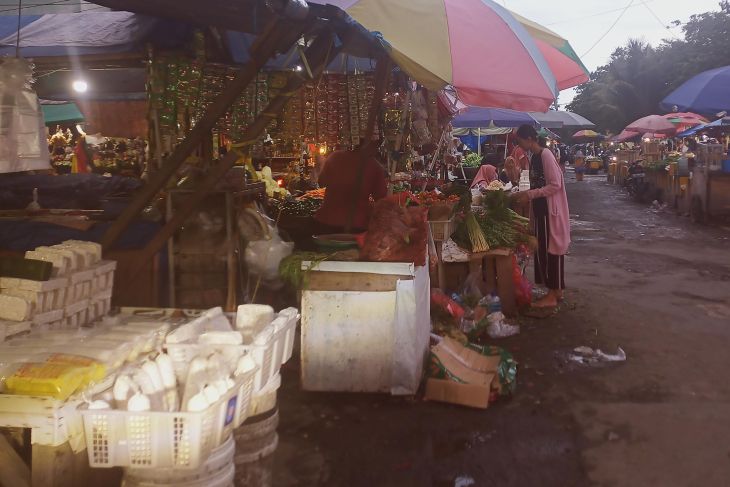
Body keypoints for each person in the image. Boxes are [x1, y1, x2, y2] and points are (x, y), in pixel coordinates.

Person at [511, 124, 571, 308]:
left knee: (551, 252)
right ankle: (556, 291)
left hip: (549, 212)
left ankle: (552, 296)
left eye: (520, 141)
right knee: (546, 251)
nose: (519, 146)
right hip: (540, 211)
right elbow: (538, 184)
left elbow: (555, 185)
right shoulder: (534, 157)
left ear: (530, 139)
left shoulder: (545, 155)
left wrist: (529, 195)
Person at [315, 141, 387, 234]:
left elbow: (321, 182)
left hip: (326, 220)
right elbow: (381, 198)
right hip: (356, 224)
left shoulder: (335, 157)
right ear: (373, 147)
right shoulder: (374, 166)